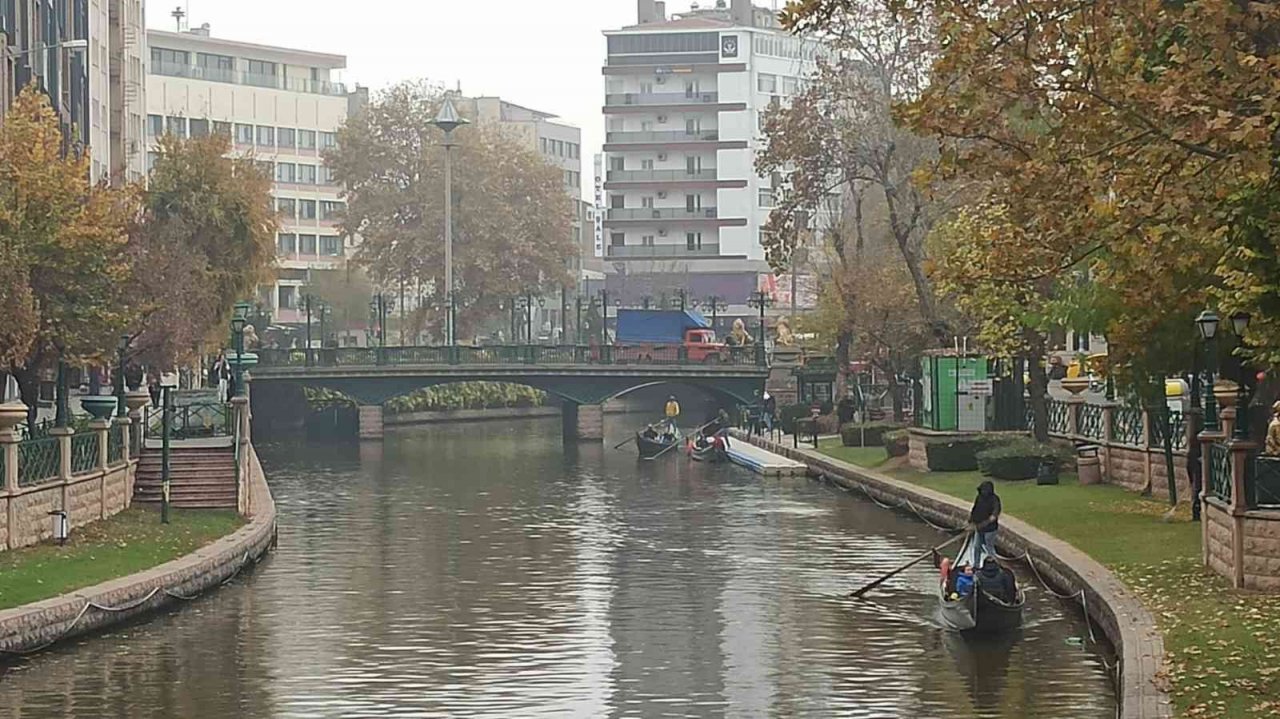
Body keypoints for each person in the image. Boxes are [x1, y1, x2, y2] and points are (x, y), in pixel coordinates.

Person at [969, 480, 1002, 560]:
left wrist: (985, 523)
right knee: (976, 547)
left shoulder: (995, 499)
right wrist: (971, 520)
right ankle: (976, 565)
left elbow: (994, 514)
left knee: (989, 547)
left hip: (990, 529)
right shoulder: (979, 497)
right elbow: (975, 509)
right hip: (979, 528)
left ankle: (994, 564)